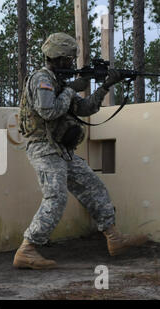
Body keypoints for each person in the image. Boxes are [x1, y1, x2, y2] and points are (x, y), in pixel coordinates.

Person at [15, 33, 148, 270]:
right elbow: (48, 111)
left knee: (93, 186)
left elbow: (85, 108)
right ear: (58, 58)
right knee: (56, 196)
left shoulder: (58, 81)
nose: (71, 64)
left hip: (61, 148)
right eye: (68, 59)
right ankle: (27, 249)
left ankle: (113, 237)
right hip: (43, 146)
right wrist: (71, 89)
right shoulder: (42, 79)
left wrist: (105, 85)